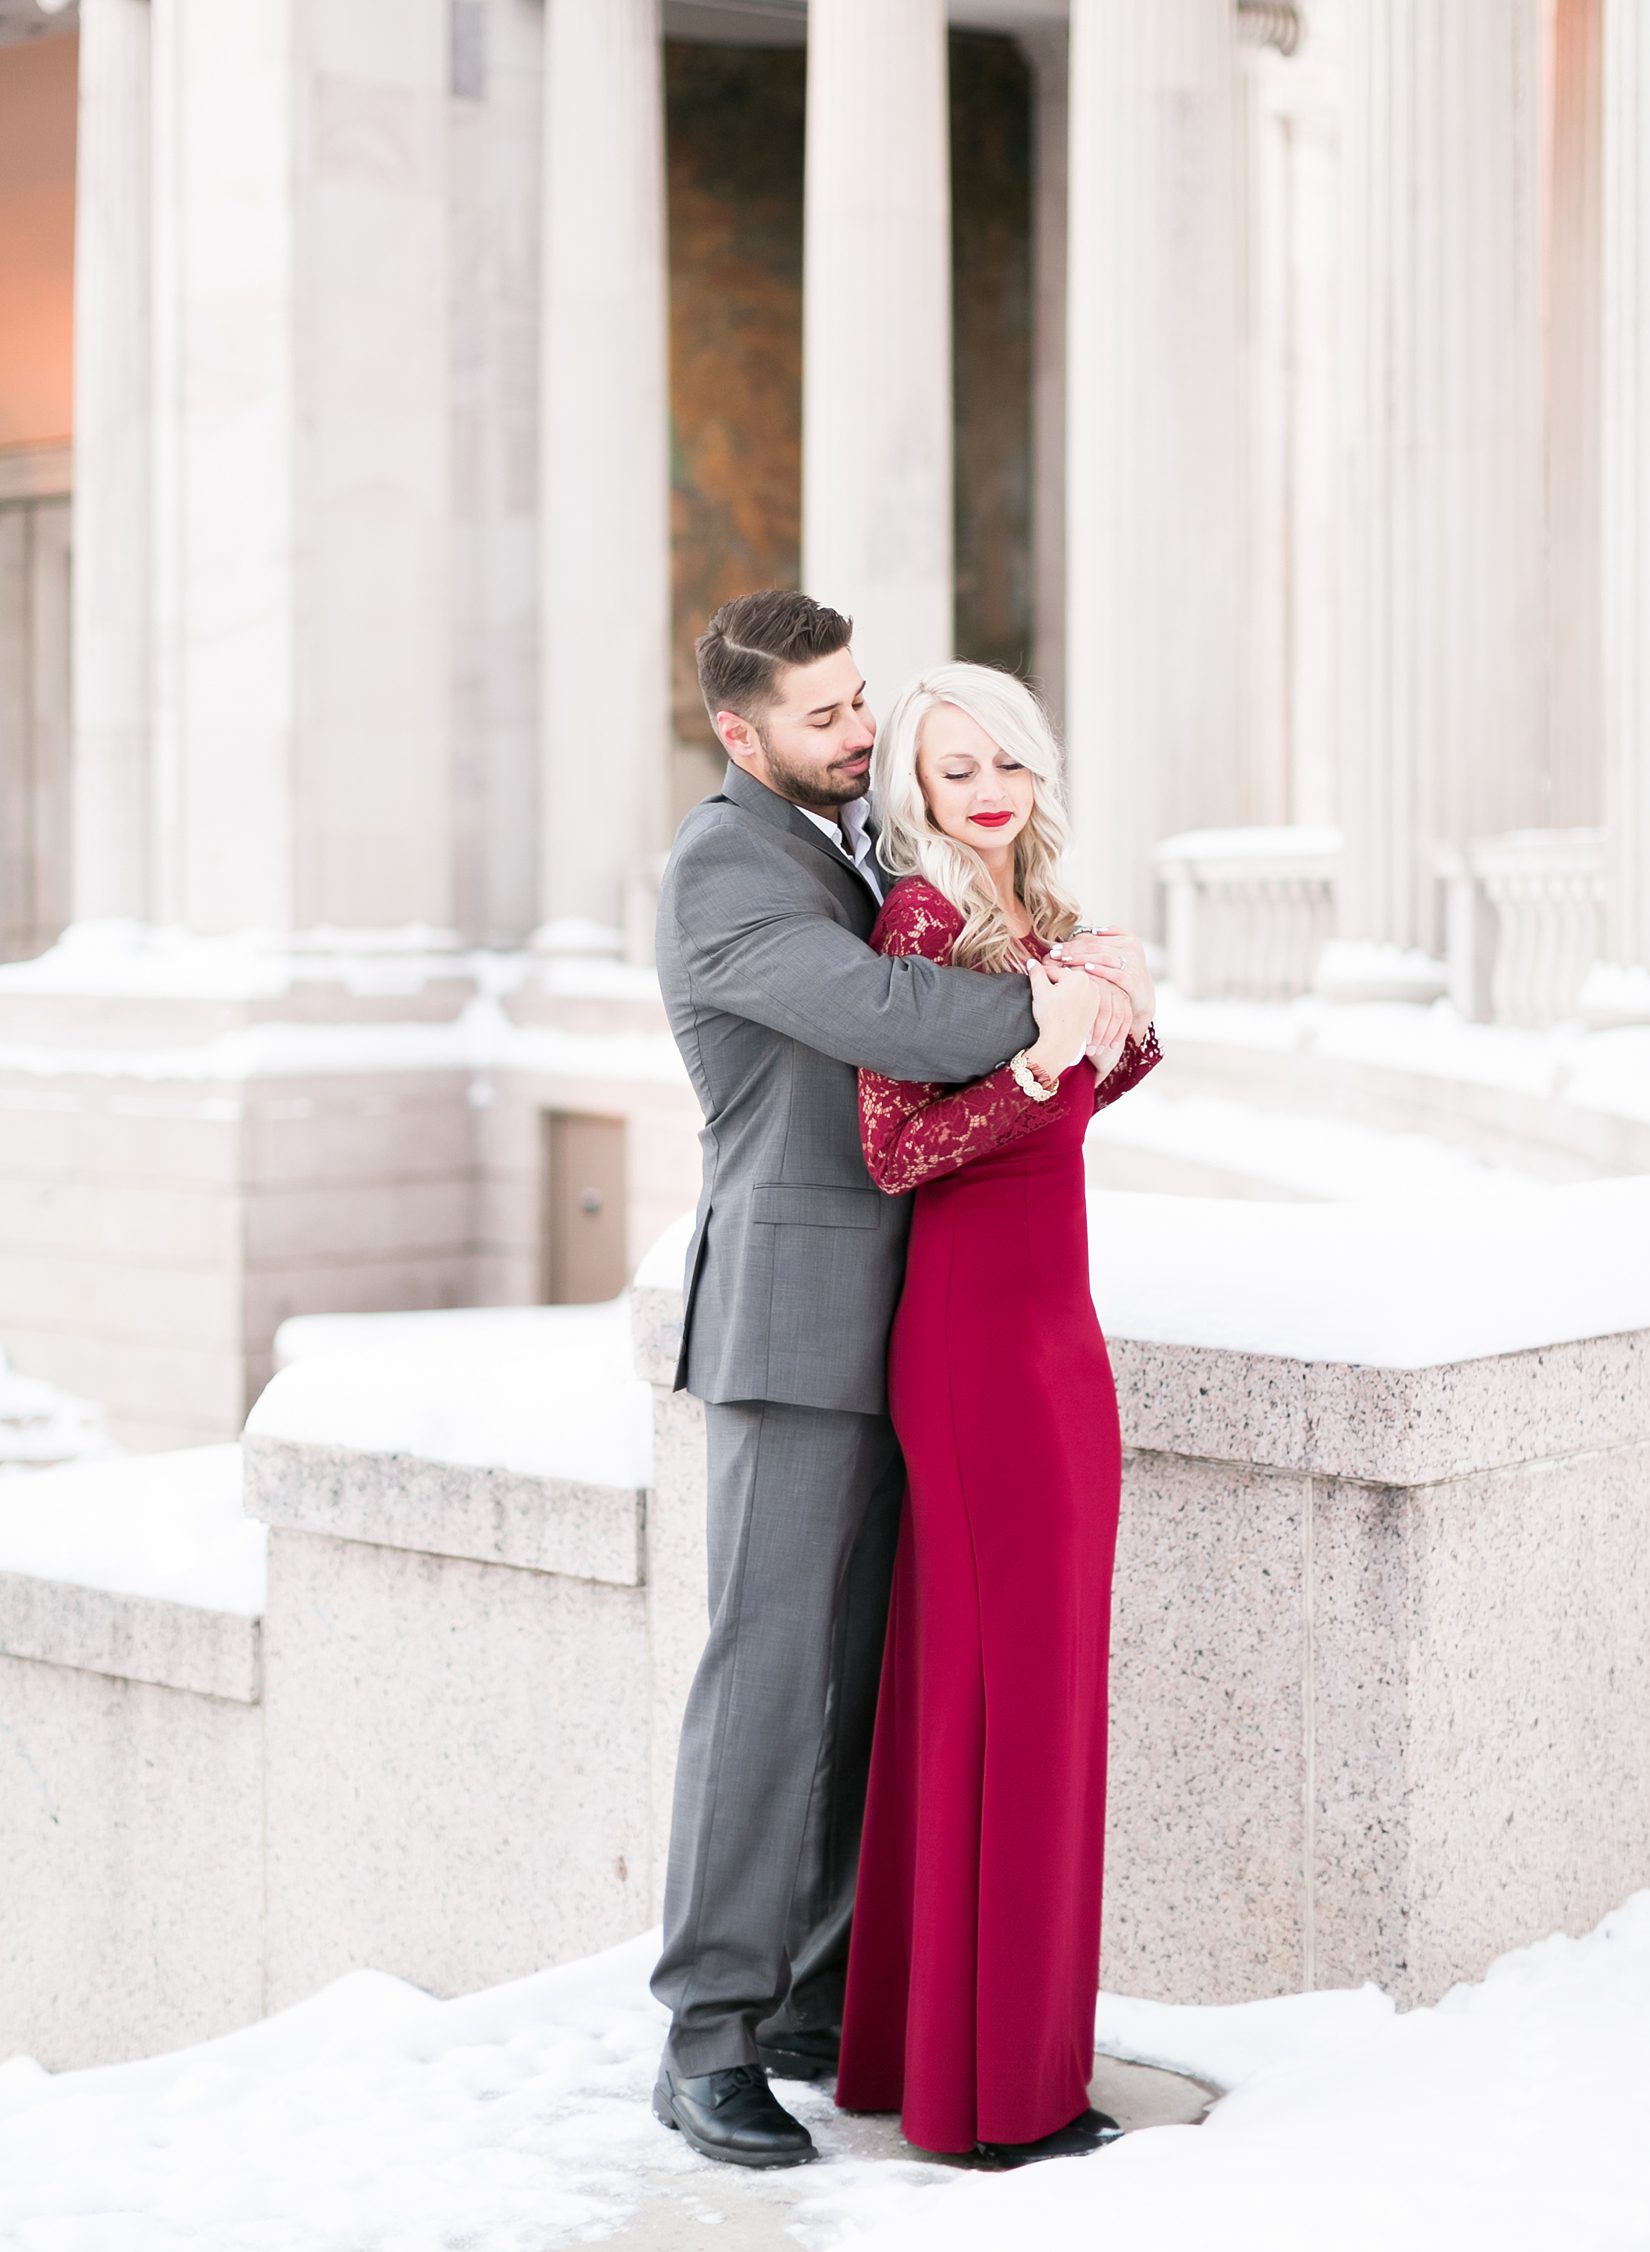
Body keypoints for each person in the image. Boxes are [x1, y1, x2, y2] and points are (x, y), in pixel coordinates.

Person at [649, 592, 1135, 2172]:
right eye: (824, 717)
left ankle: (813, 2001)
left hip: (925, 1325)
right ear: (741, 734)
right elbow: (878, 1014)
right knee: (772, 1684)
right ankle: (708, 2041)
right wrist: (1060, 1003)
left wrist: (1089, 982)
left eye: (863, 705)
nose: (860, 734)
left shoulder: (855, 843)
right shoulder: (727, 863)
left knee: (873, 1685)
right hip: (797, 1325)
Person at [833, 662, 1160, 2167]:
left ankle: (975, 2059)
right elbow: (900, 1150)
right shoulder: (917, 921)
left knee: (1038, 1690)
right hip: (970, 1343)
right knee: (1000, 1694)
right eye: (953, 765)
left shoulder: (1024, 912)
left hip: (1054, 1338)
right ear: (912, 782)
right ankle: (993, 2101)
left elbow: (1079, 1106)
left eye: (1005, 760)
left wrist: (1115, 1005)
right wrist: (1043, 1048)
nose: (985, 786)